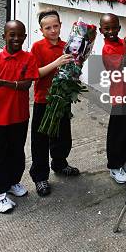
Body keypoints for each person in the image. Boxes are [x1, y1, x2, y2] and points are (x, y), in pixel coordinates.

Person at [0, 20, 39, 214]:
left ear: (25, 37)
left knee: (17, 152)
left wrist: (2, 83)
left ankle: (13, 182)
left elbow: (26, 85)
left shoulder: (29, 58)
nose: (16, 38)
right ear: (4, 37)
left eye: (20, 35)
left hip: (19, 116)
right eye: (12, 35)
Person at [29, 10, 79, 197]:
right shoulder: (37, 47)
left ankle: (60, 164)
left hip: (62, 98)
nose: (52, 30)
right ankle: (40, 176)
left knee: (62, 135)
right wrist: (56, 63)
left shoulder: (67, 46)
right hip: (44, 99)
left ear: (60, 25)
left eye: (55, 26)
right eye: (48, 27)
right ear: (41, 30)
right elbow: (35, 73)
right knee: (40, 140)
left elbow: (73, 70)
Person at [100, 13, 126, 184]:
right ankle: (114, 166)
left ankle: (124, 159)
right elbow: (123, 65)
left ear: (119, 27)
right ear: (101, 30)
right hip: (121, 95)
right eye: (107, 28)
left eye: (114, 27)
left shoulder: (122, 42)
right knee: (118, 132)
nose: (111, 31)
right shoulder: (108, 49)